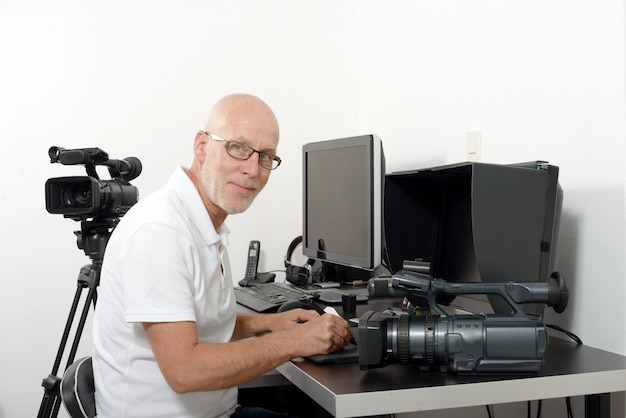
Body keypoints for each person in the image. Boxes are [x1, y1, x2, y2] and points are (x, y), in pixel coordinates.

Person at [92, 93, 352, 418]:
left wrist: (270, 324)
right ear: (202, 146)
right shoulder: (159, 231)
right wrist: (297, 340)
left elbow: (200, 323)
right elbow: (185, 371)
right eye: (238, 148)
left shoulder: (201, 220)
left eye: (266, 156)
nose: (253, 170)